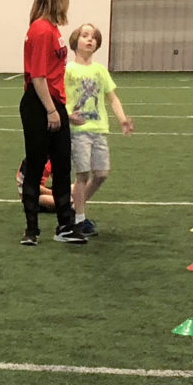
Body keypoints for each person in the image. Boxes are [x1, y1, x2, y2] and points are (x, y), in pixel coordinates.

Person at [17, 0, 84, 246]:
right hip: (40, 103)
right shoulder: (42, 30)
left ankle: (65, 226)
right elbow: (38, 76)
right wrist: (51, 111)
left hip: (52, 102)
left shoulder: (52, 29)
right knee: (35, 166)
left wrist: (62, 110)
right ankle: (32, 229)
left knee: (62, 165)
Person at [63, 24, 132, 237]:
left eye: (93, 37)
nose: (89, 40)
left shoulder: (100, 70)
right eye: (85, 36)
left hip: (99, 129)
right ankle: (80, 219)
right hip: (79, 131)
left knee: (101, 174)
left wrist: (122, 119)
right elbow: (61, 97)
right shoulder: (68, 70)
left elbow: (112, 97)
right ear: (75, 41)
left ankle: (74, 208)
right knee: (82, 174)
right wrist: (68, 116)